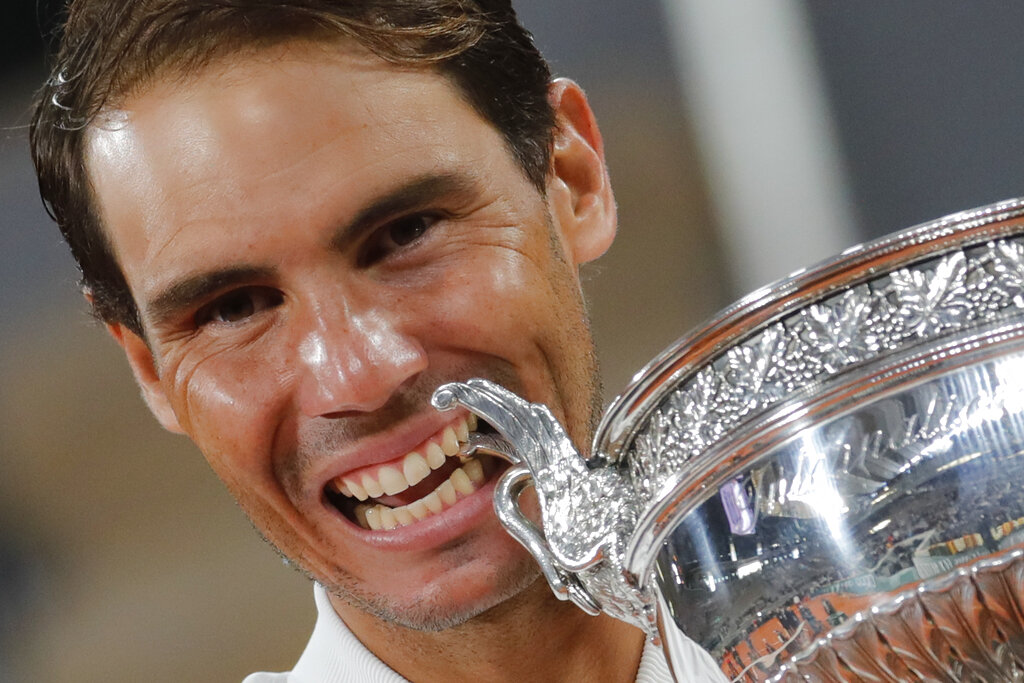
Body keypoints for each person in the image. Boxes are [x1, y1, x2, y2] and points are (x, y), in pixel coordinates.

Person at [30, 1, 722, 680]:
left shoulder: (824, 634)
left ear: (571, 180)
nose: (358, 374)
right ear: (150, 370)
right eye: (234, 308)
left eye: (406, 233)